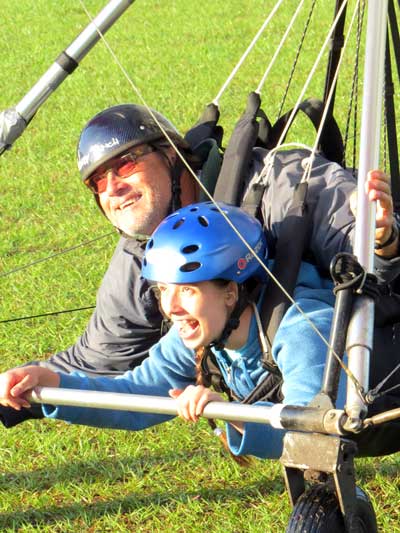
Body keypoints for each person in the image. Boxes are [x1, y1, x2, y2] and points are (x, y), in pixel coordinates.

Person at [1, 102, 398, 430]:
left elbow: (307, 425)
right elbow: (121, 379)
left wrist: (383, 238)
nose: (112, 189)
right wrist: (40, 384)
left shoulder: (286, 189)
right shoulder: (147, 258)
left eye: (124, 165)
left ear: (172, 156)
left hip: (369, 372)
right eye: (97, 183)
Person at [0, 202, 346, 460]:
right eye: (164, 290)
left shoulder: (302, 330)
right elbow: (135, 397)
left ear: (230, 292)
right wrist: (51, 381)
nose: (170, 307)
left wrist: (230, 414)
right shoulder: (198, 334)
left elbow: (311, 432)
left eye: (188, 290)